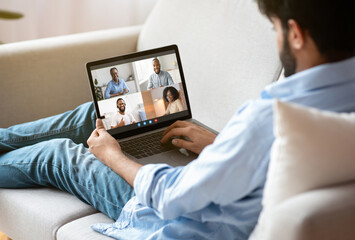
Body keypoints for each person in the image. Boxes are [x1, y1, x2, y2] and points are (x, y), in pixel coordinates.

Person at [0, 0, 354, 239]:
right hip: (228, 194)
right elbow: (273, 158)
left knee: (59, 153)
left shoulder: (268, 118)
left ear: (295, 33)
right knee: (92, 116)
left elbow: (171, 196)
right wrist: (221, 146)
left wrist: (112, 156)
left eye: (275, 27)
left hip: (180, 220)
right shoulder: (334, 110)